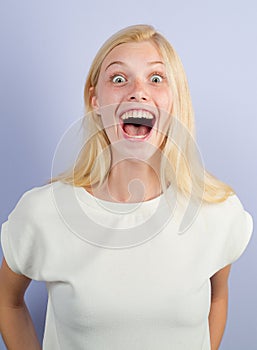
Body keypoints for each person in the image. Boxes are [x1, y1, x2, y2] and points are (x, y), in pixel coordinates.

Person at [0, 24, 253, 350]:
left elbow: (218, 298)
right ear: (95, 100)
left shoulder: (216, 211)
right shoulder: (42, 213)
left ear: (175, 100)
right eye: (119, 79)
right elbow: (8, 302)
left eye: (156, 79)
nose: (138, 91)